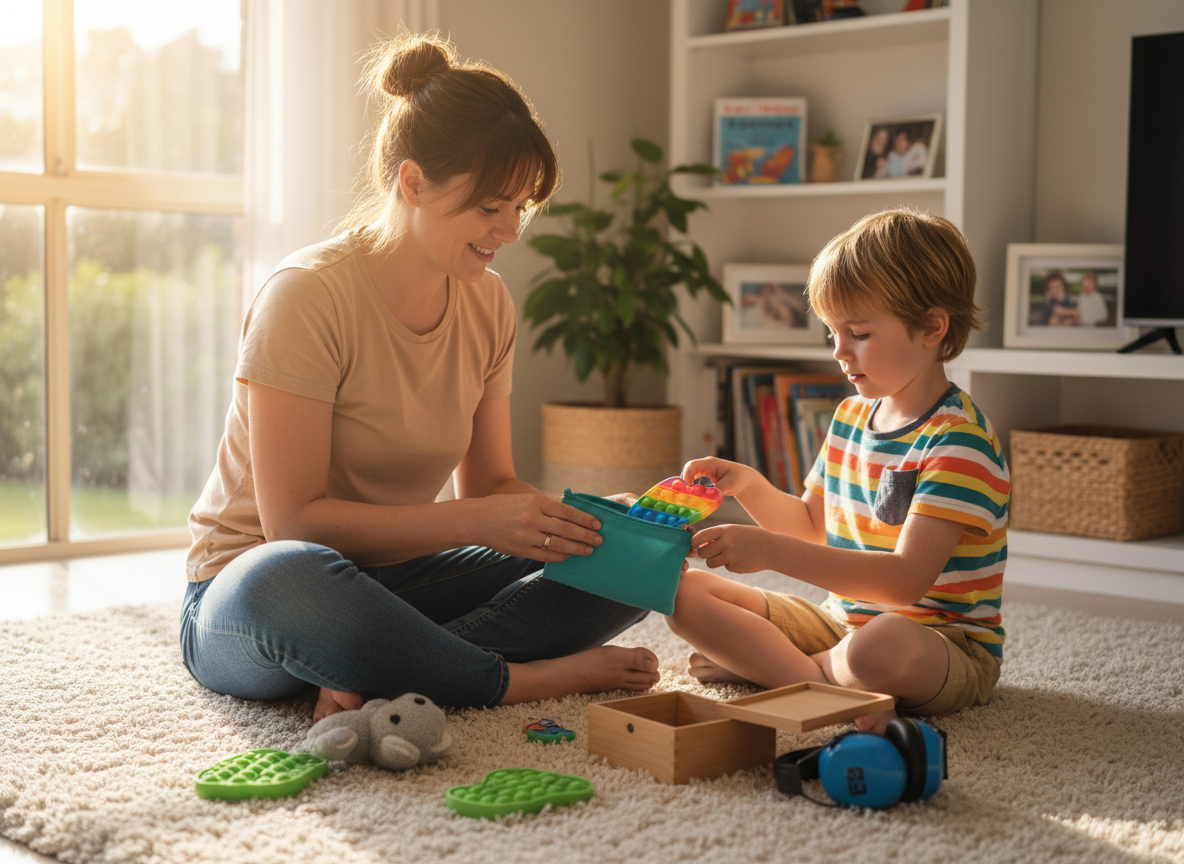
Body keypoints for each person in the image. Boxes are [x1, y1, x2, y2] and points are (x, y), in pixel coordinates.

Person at [181, 34, 659, 723]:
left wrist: (586, 524)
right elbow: (294, 526)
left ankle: (382, 673)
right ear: (411, 183)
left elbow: (492, 486)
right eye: (491, 207)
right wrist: (479, 522)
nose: (511, 231)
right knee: (287, 579)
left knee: (627, 553)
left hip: (394, 583)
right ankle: (514, 679)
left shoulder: (488, 301)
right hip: (250, 592)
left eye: (521, 207)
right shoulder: (307, 296)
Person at [666, 208, 1009, 734]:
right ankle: (818, 680)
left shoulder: (959, 440)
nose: (839, 351)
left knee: (881, 645)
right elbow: (811, 524)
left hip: (940, 643)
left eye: (859, 333)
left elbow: (903, 585)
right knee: (680, 592)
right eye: (832, 332)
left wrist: (771, 554)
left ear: (931, 327)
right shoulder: (851, 416)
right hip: (837, 623)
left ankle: (780, 672)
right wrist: (749, 486)